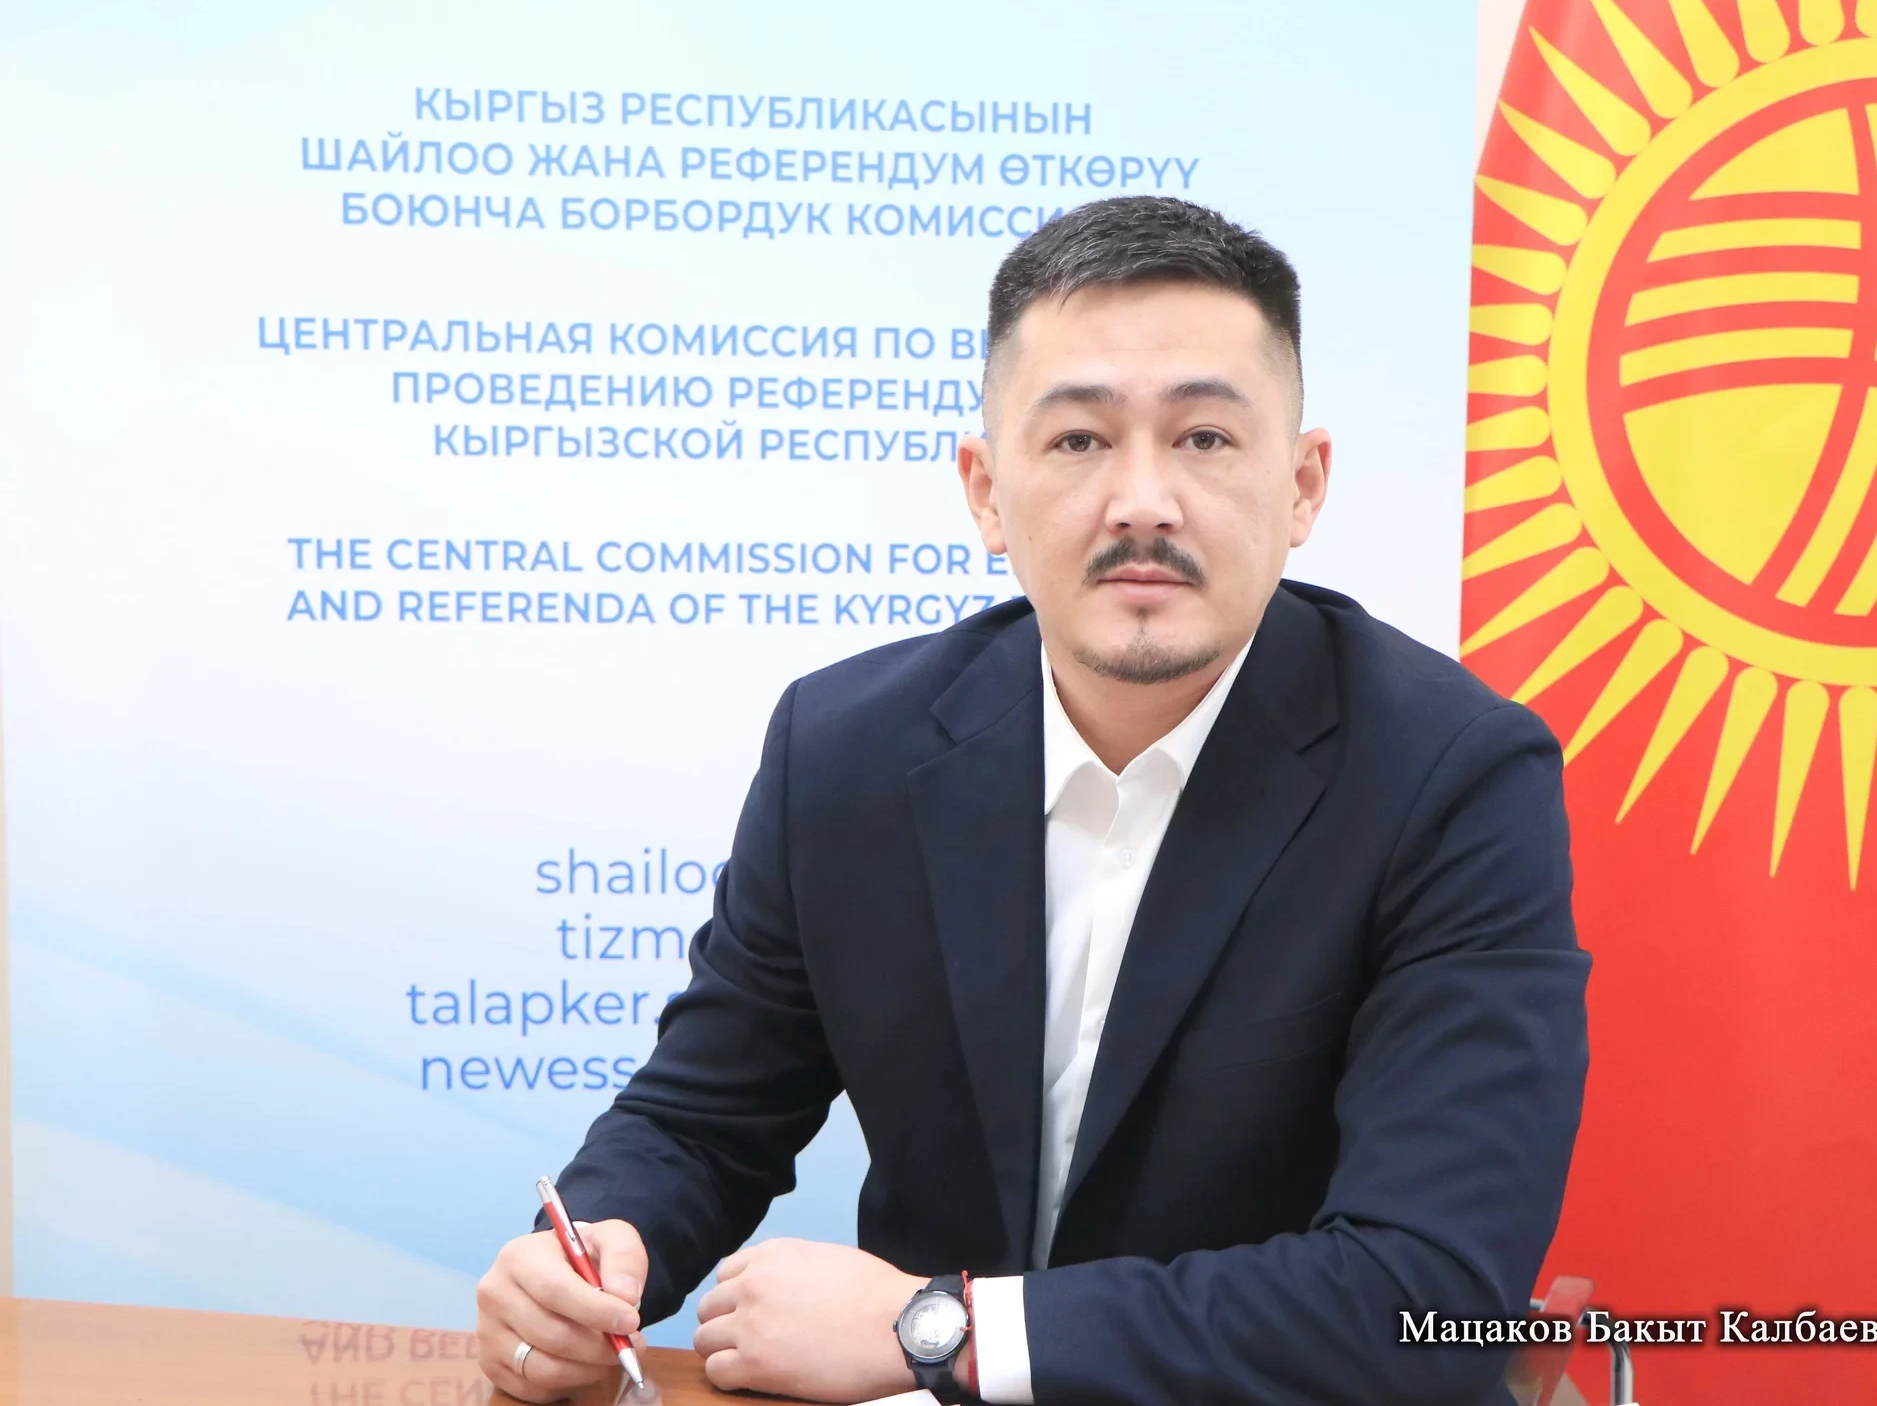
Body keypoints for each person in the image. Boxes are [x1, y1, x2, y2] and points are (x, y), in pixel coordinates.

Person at [476, 195, 1590, 1405]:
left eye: (1205, 438)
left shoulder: (1452, 777)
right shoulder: (847, 749)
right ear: (986, 492)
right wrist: (598, 1247)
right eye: (1077, 441)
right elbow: (702, 1121)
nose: (1144, 501)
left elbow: (1428, 1294)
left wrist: (940, 1330)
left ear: (1303, 485)